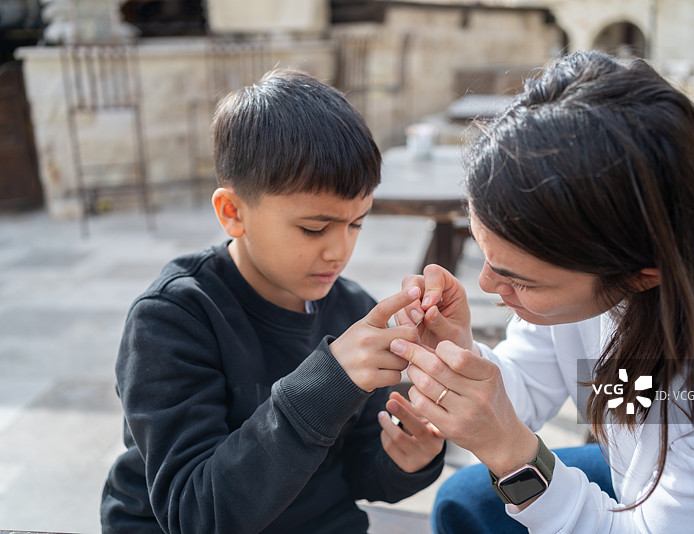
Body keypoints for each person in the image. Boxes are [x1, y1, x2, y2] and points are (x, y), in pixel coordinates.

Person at [391, 51, 694, 533]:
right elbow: (529, 380)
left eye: (520, 279)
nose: (486, 286)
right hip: (647, 461)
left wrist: (512, 456)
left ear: (641, 275)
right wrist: (457, 356)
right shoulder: (609, 213)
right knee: (467, 502)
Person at [100, 70, 445, 534]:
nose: (339, 251)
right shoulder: (172, 320)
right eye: (313, 228)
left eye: (356, 224)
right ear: (233, 213)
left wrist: (408, 458)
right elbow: (196, 514)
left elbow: (357, 471)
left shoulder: (351, 309)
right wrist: (328, 384)